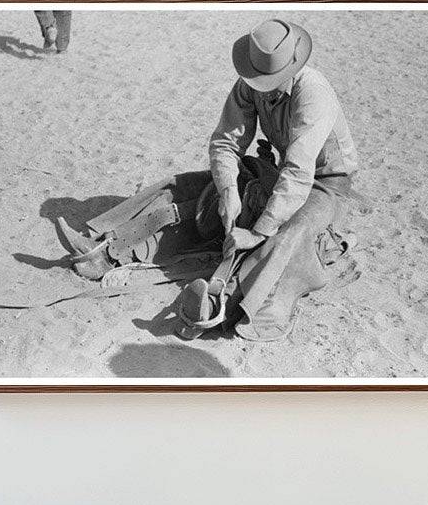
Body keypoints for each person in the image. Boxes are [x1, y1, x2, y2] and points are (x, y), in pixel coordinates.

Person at [56, 17, 358, 341]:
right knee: (194, 187)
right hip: (284, 172)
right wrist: (228, 191)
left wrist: (257, 232)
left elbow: (299, 173)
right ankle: (111, 247)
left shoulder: (313, 94)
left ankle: (222, 303)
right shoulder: (251, 83)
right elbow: (226, 142)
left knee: (289, 233)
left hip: (327, 184)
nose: (262, 88)